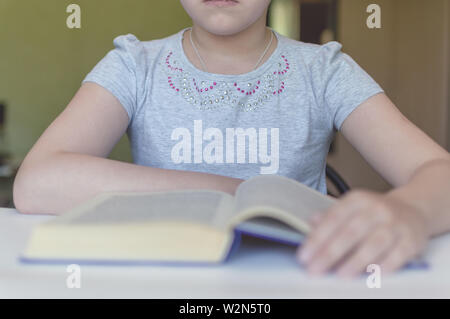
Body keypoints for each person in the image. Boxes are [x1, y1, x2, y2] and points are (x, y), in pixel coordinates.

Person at [13, 0, 450, 277]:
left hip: (302, 276)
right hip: (166, 278)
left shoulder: (325, 71)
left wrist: (409, 211)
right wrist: (238, 191)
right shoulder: (133, 65)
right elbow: (36, 183)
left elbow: (439, 173)